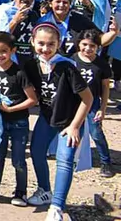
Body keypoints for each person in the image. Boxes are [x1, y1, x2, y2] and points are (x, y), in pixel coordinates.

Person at [26, 23, 93, 221]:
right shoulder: (31, 65)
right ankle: (44, 190)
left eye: (51, 44)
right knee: (37, 152)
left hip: (69, 121)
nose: (45, 49)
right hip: (47, 118)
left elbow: (87, 99)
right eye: (41, 44)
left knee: (64, 161)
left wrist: (74, 126)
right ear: (32, 42)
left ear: (59, 43)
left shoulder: (67, 67)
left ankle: (57, 206)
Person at [0, 31, 38, 205]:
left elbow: (32, 100)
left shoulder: (19, 73)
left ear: (12, 51)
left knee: (18, 159)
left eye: (3, 51)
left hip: (18, 121)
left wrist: (12, 109)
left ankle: (21, 192)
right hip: (0, 121)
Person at [73, 29, 113, 177]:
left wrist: (102, 108)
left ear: (98, 47)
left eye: (92, 46)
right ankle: (72, 159)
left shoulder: (102, 64)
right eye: (84, 44)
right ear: (79, 44)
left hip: (93, 102)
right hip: (74, 102)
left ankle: (106, 161)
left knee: (96, 133)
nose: (88, 49)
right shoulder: (72, 60)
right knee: (74, 130)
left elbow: (105, 87)